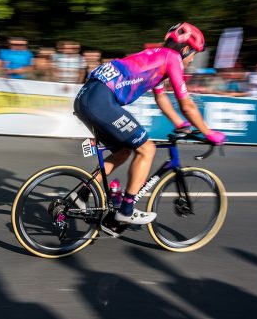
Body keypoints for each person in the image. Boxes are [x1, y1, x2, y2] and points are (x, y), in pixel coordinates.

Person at [73, 23, 226, 234]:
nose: (191, 61)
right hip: (101, 100)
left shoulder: (155, 56)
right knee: (147, 149)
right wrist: (209, 133)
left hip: (85, 98)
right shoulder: (173, 59)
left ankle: (79, 195)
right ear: (185, 49)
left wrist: (182, 124)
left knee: (123, 151)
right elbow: (187, 104)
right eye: (194, 54)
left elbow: (161, 97)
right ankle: (126, 210)